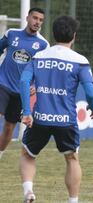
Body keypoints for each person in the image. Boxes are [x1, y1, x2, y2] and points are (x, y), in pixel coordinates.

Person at [19, 16, 93, 203]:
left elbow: (23, 82)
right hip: (66, 120)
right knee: (71, 158)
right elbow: (91, 92)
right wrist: (92, 107)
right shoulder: (80, 61)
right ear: (74, 36)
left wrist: (27, 112)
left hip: (40, 118)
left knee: (28, 154)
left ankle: (29, 191)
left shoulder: (39, 56)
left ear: (53, 34)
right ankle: (73, 200)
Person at [0, 8, 49, 159]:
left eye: (41, 20)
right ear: (27, 18)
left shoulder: (43, 44)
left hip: (22, 92)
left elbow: (43, 69)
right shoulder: (12, 34)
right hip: (3, 83)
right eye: (35, 18)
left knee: (9, 128)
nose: (37, 22)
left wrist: (36, 85)